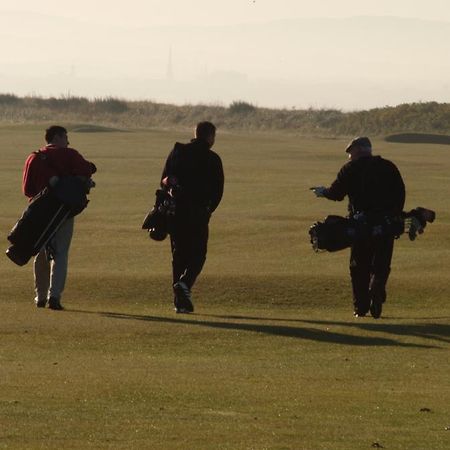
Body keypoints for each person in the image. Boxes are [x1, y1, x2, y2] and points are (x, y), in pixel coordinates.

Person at [311, 137, 405, 319]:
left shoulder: (351, 169)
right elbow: (400, 195)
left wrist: (323, 192)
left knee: (359, 267)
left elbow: (337, 193)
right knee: (381, 264)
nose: (349, 156)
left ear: (359, 150)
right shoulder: (388, 167)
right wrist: (393, 216)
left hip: (360, 225)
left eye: (351, 152)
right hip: (386, 225)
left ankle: (361, 307)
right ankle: (376, 288)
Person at [22, 125, 96, 310]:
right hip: (64, 211)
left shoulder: (33, 158)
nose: (67, 141)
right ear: (57, 137)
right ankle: (54, 296)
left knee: (40, 253)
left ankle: (40, 296)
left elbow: (27, 190)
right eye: (65, 137)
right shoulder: (70, 155)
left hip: (38, 212)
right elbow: (87, 169)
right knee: (61, 253)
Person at [160, 121, 224, 313]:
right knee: (198, 254)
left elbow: (164, 180)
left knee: (178, 255)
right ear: (210, 137)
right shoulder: (212, 158)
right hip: (198, 213)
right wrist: (208, 210)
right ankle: (185, 284)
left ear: (195, 133)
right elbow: (217, 191)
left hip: (176, 211)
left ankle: (180, 302)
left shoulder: (178, 151)